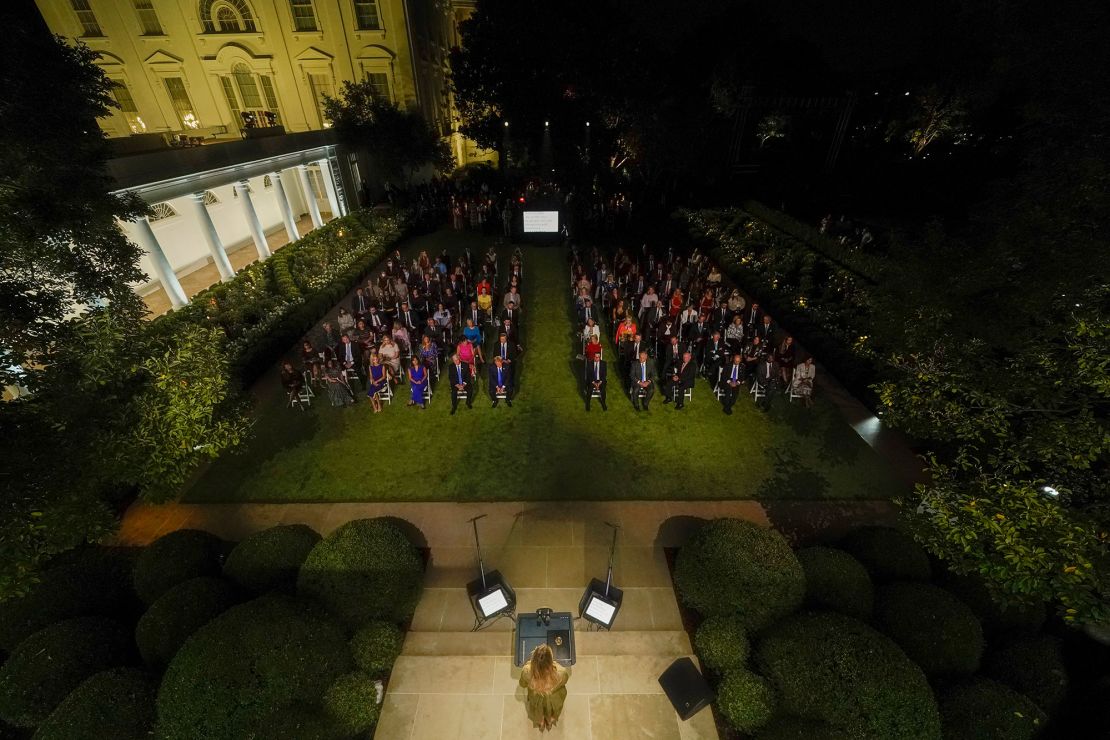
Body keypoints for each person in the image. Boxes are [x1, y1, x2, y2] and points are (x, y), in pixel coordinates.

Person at [519, 643, 569, 732]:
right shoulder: (561, 672)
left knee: (538, 710)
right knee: (554, 710)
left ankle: (541, 723)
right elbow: (564, 681)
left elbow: (522, 684)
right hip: (554, 699)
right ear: (550, 660)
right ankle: (550, 722)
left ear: (533, 659)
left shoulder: (526, 671)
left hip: (537, 699)